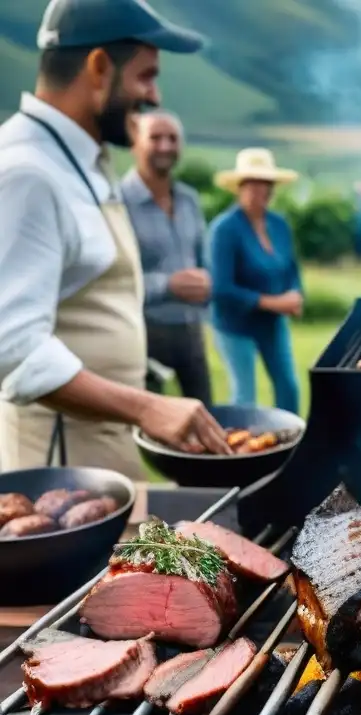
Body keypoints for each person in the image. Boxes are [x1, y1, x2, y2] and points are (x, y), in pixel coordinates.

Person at [0, 0, 229, 477]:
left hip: (101, 454)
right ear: (99, 66)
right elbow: (13, 346)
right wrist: (148, 407)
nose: (153, 94)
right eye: (146, 76)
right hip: (58, 471)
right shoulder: (28, 172)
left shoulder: (79, 161)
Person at [123, 110, 213, 405]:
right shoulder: (117, 201)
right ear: (136, 143)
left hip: (191, 330)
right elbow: (112, 282)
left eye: (172, 138)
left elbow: (201, 258)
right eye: (155, 138)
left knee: (206, 416)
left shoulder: (189, 199)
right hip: (142, 333)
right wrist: (168, 285)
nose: (165, 146)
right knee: (148, 429)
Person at [208, 148, 303, 415]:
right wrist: (273, 303)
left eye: (266, 183)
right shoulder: (224, 230)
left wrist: (296, 295)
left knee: (289, 388)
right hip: (234, 325)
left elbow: (291, 268)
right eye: (253, 183)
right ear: (240, 187)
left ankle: (292, 447)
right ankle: (243, 450)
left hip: (272, 324)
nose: (261, 190)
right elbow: (221, 289)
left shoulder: (278, 224)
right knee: (244, 398)